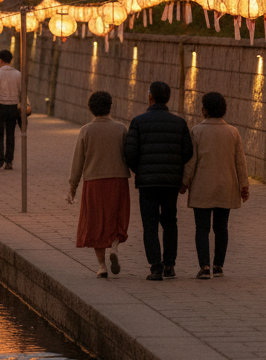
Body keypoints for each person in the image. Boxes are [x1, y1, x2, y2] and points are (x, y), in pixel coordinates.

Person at [123, 81, 193, 281]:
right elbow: (188, 152)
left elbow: (129, 152)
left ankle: (155, 266)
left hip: (147, 183)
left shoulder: (138, 121)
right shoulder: (179, 123)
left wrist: (140, 170)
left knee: (150, 224)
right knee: (170, 222)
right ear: (167, 98)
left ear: (150, 98)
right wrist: (175, 168)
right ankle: (170, 265)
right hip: (171, 182)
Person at [181, 92, 250, 279]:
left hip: (203, 186)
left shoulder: (197, 131)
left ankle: (204, 266)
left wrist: (184, 183)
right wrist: (244, 185)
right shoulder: (233, 132)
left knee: (201, 228)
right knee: (222, 227)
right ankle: (218, 265)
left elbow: (191, 162)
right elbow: (240, 163)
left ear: (204, 110)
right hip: (226, 186)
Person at [68, 91, 131, 278]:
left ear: (91, 109)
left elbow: (77, 161)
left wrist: (72, 187)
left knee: (96, 222)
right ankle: (114, 247)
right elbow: (129, 155)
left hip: (93, 182)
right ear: (109, 107)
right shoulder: (121, 129)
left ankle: (102, 266)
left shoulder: (86, 130)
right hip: (117, 180)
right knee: (117, 216)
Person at [0, 49, 27, 170]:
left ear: (0, 60)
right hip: (13, 106)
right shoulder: (18, 74)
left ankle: (0, 159)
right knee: (11, 134)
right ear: (10, 60)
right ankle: (9, 161)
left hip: (0, 105)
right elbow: (22, 90)